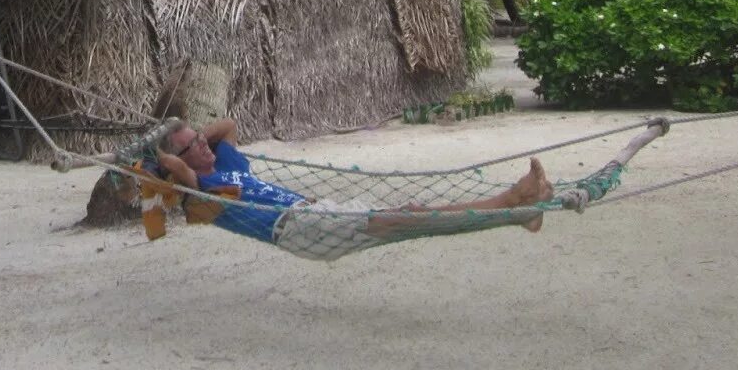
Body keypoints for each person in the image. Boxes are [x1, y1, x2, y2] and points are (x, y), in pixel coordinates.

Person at [154, 117, 556, 258]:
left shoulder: (226, 161)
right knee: (410, 217)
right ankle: (512, 203)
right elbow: (171, 165)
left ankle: (519, 208)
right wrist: (166, 145)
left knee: (410, 216)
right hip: (298, 228)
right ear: (185, 159)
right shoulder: (200, 187)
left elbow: (225, 125)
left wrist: (192, 136)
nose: (206, 144)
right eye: (196, 145)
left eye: (203, 140)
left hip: (315, 212)